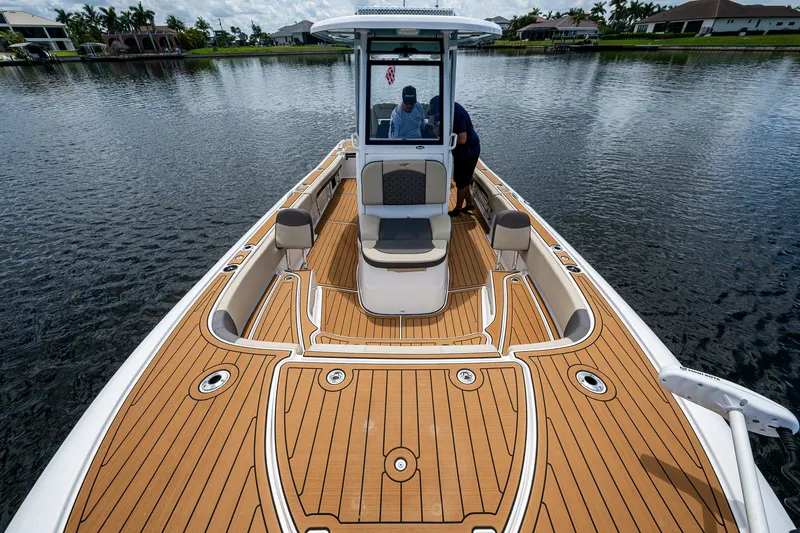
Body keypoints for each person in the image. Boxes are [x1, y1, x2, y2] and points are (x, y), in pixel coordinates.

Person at [428, 95, 481, 216]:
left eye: (436, 113)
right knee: (464, 180)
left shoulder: (457, 115)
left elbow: (462, 139)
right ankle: (468, 204)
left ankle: (457, 209)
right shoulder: (450, 110)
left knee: (461, 182)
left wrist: (441, 135)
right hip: (463, 150)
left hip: (468, 151)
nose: (436, 115)